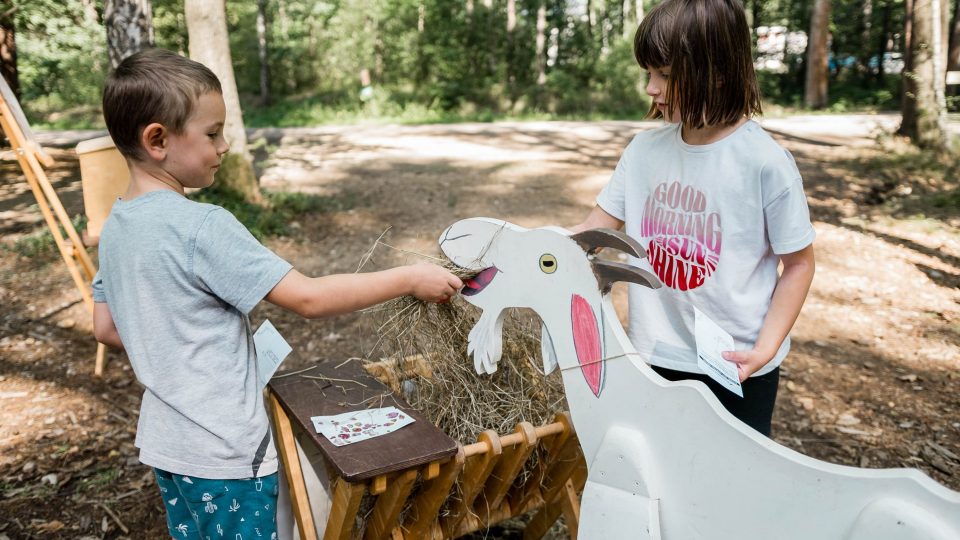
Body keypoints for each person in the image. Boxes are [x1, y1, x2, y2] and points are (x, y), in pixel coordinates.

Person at [91, 48, 462, 539]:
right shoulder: (202, 227)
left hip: (170, 447)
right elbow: (308, 298)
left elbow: (107, 327)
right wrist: (409, 278)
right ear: (157, 139)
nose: (224, 145)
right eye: (211, 133)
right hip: (226, 454)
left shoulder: (116, 225)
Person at [570, 0, 816, 437]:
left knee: (733, 483)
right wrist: (528, 249)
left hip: (737, 367)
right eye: (649, 73)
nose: (651, 88)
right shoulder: (643, 153)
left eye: (665, 75)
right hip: (656, 356)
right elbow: (592, 232)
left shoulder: (765, 163)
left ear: (716, 71)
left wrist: (765, 348)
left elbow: (798, 264)